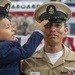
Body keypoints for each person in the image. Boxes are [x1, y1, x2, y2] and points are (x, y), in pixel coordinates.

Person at [21, 1, 75, 75]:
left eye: (57, 25)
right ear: (41, 29)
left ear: (65, 30)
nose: (52, 29)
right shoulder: (29, 62)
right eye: (47, 25)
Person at [0, 0, 49, 75]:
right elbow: (25, 51)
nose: (13, 29)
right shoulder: (2, 49)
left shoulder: (5, 46)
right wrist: (38, 32)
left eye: (11, 25)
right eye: (7, 27)